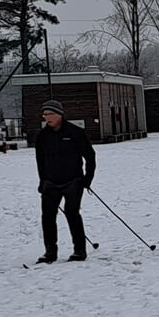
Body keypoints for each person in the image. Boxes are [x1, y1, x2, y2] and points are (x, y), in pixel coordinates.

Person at [32, 98, 96, 262]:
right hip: (50, 182)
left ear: (59, 114)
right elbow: (40, 160)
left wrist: (87, 179)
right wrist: (42, 181)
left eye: (50, 114)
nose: (47, 117)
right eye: (45, 114)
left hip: (73, 181)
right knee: (47, 217)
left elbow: (90, 156)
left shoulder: (75, 132)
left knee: (72, 213)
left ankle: (79, 250)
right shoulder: (43, 136)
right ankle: (50, 252)